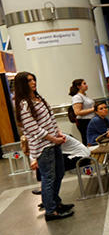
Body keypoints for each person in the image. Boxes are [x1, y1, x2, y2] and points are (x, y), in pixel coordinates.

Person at [14, 72, 75, 221]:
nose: (33, 82)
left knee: (59, 174)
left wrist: (59, 133)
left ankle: (55, 203)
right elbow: (34, 129)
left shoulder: (38, 98)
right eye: (29, 81)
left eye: (33, 79)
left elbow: (51, 119)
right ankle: (51, 211)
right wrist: (53, 139)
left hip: (53, 142)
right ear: (22, 84)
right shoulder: (24, 104)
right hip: (43, 146)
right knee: (49, 178)